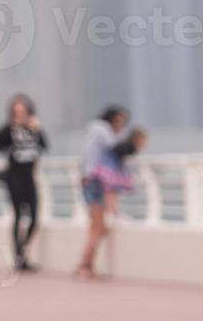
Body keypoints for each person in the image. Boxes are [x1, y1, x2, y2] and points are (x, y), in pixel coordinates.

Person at [0, 93, 48, 271]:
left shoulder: (34, 127)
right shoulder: (9, 128)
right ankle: (20, 258)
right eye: (16, 110)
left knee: (34, 218)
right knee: (19, 216)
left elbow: (44, 146)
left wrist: (37, 129)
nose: (19, 112)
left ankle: (22, 251)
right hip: (14, 176)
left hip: (30, 176)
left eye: (22, 109)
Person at [75, 105, 129, 279]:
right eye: (118, 120)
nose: (120, 124)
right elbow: (116, 147)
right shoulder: (101, 129)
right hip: (95, 182)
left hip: (90, 180)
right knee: (97, 228)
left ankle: (89, 266)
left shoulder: (94, 130)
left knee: (98, 227)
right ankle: (83, 266)